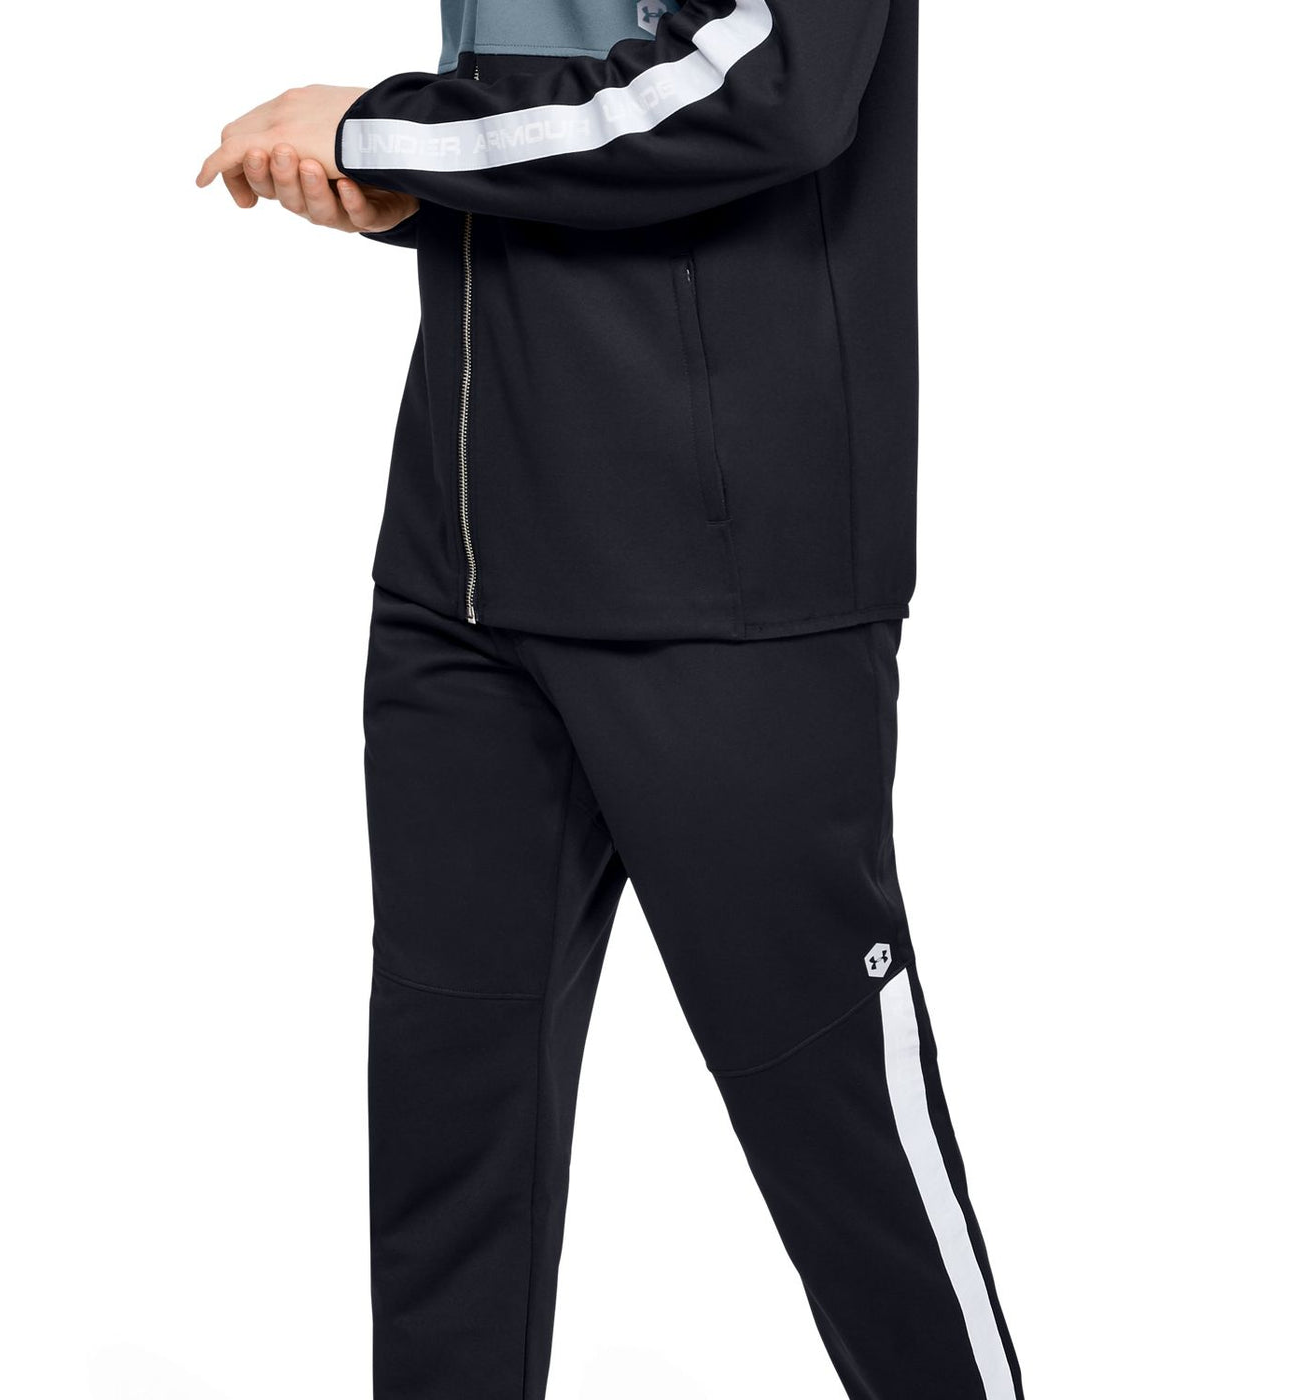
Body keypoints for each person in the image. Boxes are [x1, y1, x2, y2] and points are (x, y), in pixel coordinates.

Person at [197, 3, 1024, 1397]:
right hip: (463, 565)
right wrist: (408, 182)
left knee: (841, 1135)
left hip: (728, 580)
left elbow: (765, 90)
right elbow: (561, 102)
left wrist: (385, 128)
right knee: (450, 1142)